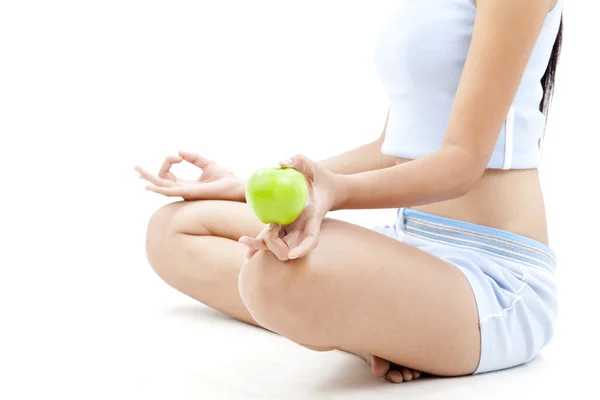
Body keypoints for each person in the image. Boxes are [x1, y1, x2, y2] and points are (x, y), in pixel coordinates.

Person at [135, 0, 563, 383]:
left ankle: (371, 324)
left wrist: (334, 192)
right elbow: (393, 146)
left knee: (274, 275)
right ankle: (372, 334)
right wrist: (258, 184)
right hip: (410, 244)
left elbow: (462, 161)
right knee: (173, 228)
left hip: (494, 280)